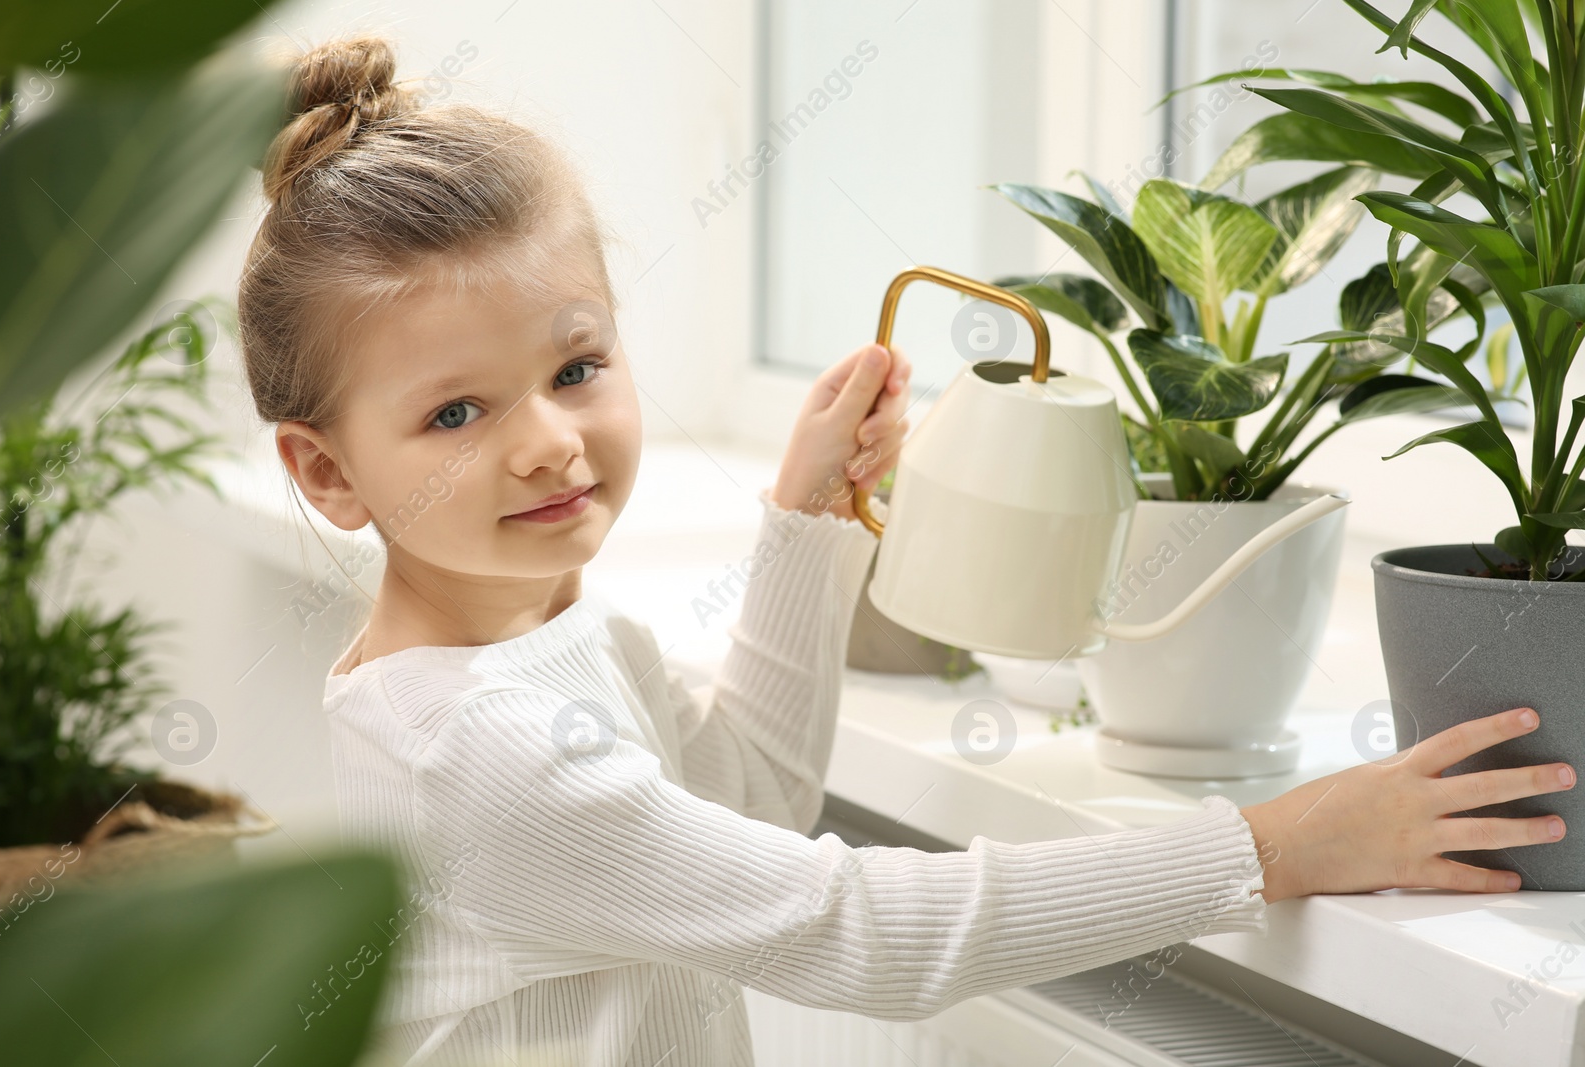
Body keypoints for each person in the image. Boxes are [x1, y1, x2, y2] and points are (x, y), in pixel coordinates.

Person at [239, 33, 1576, 1067]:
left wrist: (807, 523)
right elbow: (858, 930)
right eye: (457, 413)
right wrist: (1269, 847)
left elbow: (746, 808)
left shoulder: (545, 640)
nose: (547, 441)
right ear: (326, 472)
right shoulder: (481, 753)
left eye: (577, 365)